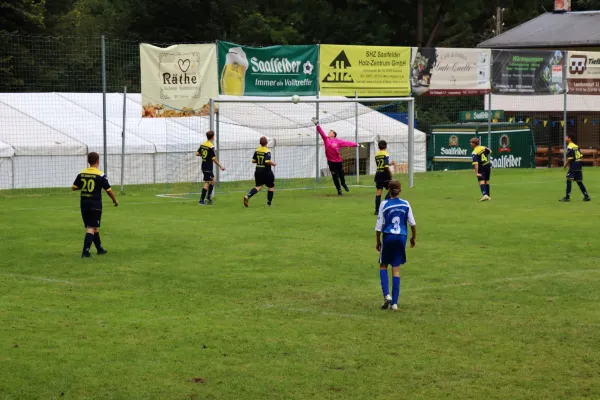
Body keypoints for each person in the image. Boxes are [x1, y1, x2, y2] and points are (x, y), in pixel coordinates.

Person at [375, 180, 416, 311]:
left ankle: (387, 295)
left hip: (388, 236)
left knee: (383, 265)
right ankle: (395, 304)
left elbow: (379, 225)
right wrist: (413, 238)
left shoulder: (384, 204)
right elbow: (413, 223)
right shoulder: (406, 204)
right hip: (401, 237)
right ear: (400, 190)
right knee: (396, 269)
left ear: (388, 190)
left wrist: (378, 241)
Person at [72, 152, 118, 258]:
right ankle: (85, 251)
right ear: (98, 161)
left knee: (94, 226)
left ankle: (100, 249)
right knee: (92, 228)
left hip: (84, 204)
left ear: (88, 161)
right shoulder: (100, 175)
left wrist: (83, 186)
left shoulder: (82, 173)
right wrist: (115, 200)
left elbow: (74, 187)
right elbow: (109, 190)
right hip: (95, 204)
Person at [311, 117, 359, 196]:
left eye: (331, 131)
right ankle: (339, 190)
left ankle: (343, 184)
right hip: (331, 162)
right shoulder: (326, 139)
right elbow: (321, 132)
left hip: (338, 161)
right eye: (329, 131)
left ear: (333, 134)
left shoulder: (338, 141)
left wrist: (356, 145)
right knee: (334, 176)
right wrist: (317, 124)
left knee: (341, 175)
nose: (329, 132)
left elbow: (347, 143)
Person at [244, 136, 277, 207]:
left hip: (258, 171)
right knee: (271, 186)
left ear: (260, 143)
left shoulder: (257, 150)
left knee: (258, 187)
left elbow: (253, 161)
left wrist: (259, 161)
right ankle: (269, 203)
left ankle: (248, 196)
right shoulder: (267, 151)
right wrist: (273, 163)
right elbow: (267, 161)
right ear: (267, 143)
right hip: (266, 171)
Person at [196, 131, 225, 205]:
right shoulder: (211, 146)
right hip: (208, 167)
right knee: (207, 182)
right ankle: (201, 200)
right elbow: (213, 158)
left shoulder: (203, 144)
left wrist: (204, 155)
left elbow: (197, 153)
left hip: (204, 165)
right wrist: (220, 166)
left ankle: (208, 198)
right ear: (213, 137)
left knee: (213, 181)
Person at [560, 133, 591, 202]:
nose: (565, 138)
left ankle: (567, 198)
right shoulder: (576, 146)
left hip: (574, 165)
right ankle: (587, 196)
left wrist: (565, 164)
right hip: (579, 164)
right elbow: (581, 155)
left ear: (569, 138)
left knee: (569, 180)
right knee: (579, 182)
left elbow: (570, 158)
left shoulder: (570, 146)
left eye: (566, 137)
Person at [374, 140, 396, 215]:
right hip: (385, 174)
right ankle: (385, 205)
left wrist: (390, 163)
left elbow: (381, 164)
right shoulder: (386, 154)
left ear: (378, 147)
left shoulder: (377, 154)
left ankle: (377, 210)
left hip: (378, 173)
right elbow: (385, 166)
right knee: (392, 188)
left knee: (379, 191)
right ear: (386, 146)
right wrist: (390, 173)